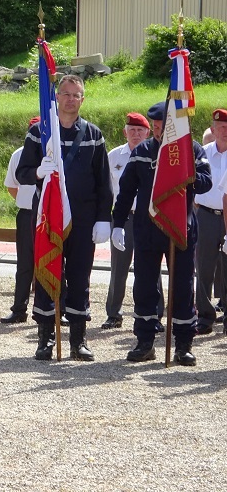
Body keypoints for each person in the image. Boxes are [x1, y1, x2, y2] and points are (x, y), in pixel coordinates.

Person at [16, 74, 112, 361]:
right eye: (66, 94)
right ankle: (45, 338)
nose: (70, 99)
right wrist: (37, 173)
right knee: (47, 274)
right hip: (48, 216)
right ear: (56, 97)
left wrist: (103, 218)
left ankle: (78, 341)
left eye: (76, 94)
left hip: (82, 218)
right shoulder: (39, 133)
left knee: (80, 276)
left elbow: (103, 181)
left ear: (83, 99)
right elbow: (22, 172)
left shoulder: (94, 135)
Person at [112, 101, 211, 365]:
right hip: (147, 230)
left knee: (182, 288)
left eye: (161, 127)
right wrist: (118, 223)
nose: (157, 131)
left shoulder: (191, 149)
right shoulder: (142, 151)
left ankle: (183, 344)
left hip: (180, 231)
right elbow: (126, 191)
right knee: (144, 287)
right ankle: (145, 341)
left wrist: (187, 175)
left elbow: (206, 182)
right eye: (154, 126)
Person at [102, 112, 165, 331]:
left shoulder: (154, 153)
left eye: (140, 131)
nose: (136, 134)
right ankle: (113, 313)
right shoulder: (114, 156)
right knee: (118, 267)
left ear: (148, 132)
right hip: (124, 217)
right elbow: (107, 189)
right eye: (132, 130)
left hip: (148, 217)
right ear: (125, 132)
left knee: (151, 266)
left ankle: (155, 314)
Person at [0, 117, 38, 324]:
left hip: (49, 216)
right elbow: (12, 186)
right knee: (24, 264)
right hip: (26, 214)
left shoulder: (54, 153)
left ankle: (52, 309)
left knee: (55, 264)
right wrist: (26, 202)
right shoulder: (19, 155)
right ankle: (19, 309)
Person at [193, 108, 227, 335]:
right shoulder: (202, 153)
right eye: (221, 127)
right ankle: (205, 316)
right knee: (203, 268)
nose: (225, 131)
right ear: (212, 130)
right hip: (205, 215)